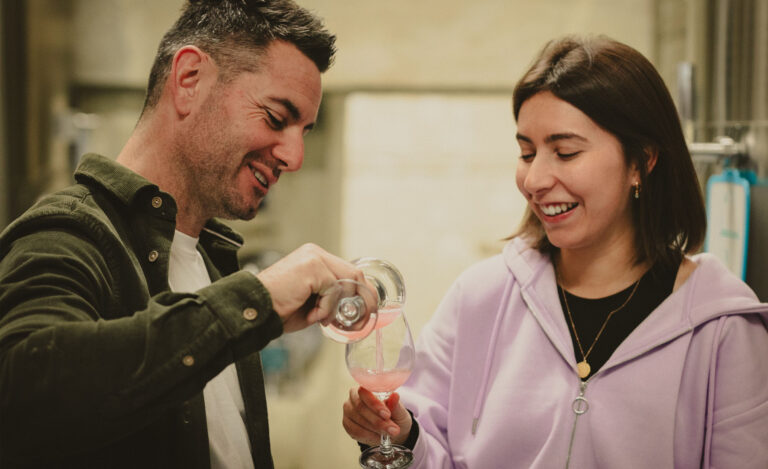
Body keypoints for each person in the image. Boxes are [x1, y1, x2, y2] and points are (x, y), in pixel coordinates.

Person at [342, 35, 768, 468]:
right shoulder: (481, 297)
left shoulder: (724, 328)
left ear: (642, 160)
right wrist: (400, 437)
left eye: (565, 152)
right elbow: (426, 450)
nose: (536, 179)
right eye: (527, 152)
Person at [0, 1, 355, 468]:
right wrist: (257, 297)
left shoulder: (212, 263)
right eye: (275, 117)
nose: (294, 156)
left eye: (304, 131)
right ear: (189, 79)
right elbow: (22, 393)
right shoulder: (69, 232)